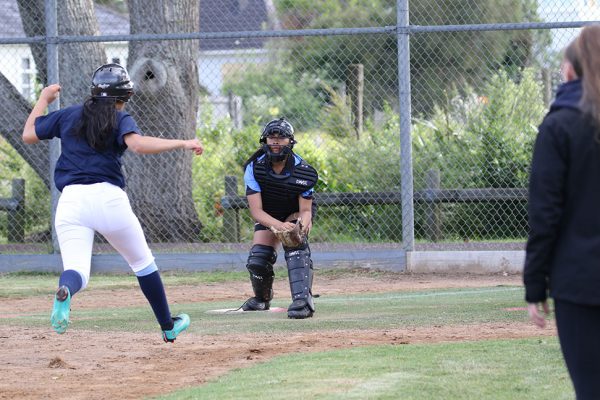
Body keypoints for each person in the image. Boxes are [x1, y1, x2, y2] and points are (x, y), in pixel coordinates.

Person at [22, 63, 204, 342]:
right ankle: (168, 327)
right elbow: (138, 145)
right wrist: (182, 143)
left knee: (77, 270)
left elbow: (29, 134)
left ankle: (66, 291)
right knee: (143, 264)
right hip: (108, 200)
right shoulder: (120, 118)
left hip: (71, 201)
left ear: (94, 92)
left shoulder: (69, 114)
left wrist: (43, 100)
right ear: (124, 97)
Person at [524, 25, 600, 399]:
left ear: (570, 71)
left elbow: (545, 215)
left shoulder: (559, 126)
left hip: (580, 281)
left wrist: (535, 285)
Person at [239, 117, 319, 319]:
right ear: (264, 141)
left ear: (290, 141)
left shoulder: (304, 171)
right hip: (269, 213)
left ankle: (303, 302)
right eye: (271, 138)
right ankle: (261, 299)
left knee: (295, 245)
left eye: (281, 138)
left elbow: (306, 210)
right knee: (258, 260)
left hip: (294, 212)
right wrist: (278, 225)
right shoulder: (254, 168)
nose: (275, 142)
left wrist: (300, 225)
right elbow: (256, 212)